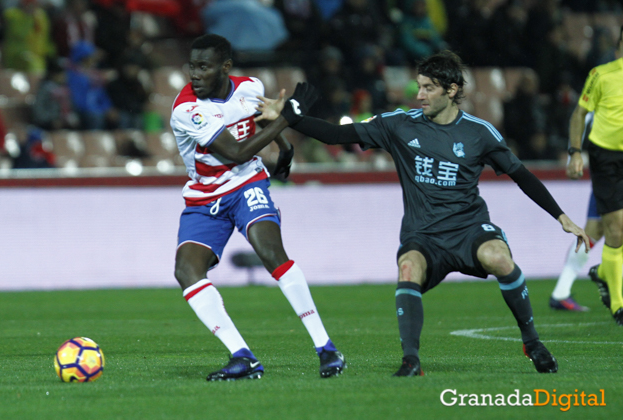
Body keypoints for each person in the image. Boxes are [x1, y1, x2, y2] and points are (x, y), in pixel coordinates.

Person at [256, 50, 590, 376]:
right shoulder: (398, 125)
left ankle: (532, 343)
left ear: (452, 90)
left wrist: (560, 216)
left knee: (500, 259)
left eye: (428, 87)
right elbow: (338, 134)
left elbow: (522, 175)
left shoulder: (479, 132)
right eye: (419, 86)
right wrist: (289, 117)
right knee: (408, 268)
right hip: (423, 234)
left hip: (469, 228)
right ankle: (411, 360)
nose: (420, 95)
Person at [170, 34, 345, 381]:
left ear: (225, 67)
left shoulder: (250, 87)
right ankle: (243, 357)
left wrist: (284, 147)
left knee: (270, 252)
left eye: (204, 67)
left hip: (247, 183)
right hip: (205, 198)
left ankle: (325, 348)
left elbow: (259, 119)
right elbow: (234, 152)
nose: (195, 74)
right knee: (186, 271)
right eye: (192, 66)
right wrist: (290, 117)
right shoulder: (187, 109)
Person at [567, 26, 623, 326]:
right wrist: (575, 151)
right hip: (607, 157)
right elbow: (579, 113)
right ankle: (618, 305)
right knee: (617, 229)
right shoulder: (602, 75)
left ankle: (603, 272)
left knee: (614, 230)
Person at [549, 111, 599, 312]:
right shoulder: (607, 87)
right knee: (597, 230)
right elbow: (582, 116)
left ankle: (561, 292)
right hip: (612, 174)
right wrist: (575, 152)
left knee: (595, 231)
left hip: (608, 174)